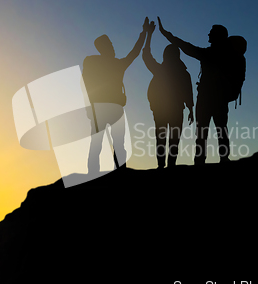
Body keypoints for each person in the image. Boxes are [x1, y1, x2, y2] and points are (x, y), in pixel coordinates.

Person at [157, 17, 234, 164]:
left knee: (203, 132)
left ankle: (200, 161)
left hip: (206, 99)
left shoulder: (208, 54)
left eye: (211, 33)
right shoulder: (226, 56)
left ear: (218, 36)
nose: (208, 35)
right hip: (218, 99)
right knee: (220, 130)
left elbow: (186, 47)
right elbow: (186, 47)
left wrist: (166, 34)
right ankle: (223, 158)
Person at [82, 18, 149, 173]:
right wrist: (144, 33)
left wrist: (144, 33)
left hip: (105, 108)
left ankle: (101, 173)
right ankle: (110, 173)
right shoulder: (106, 63)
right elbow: (134, 53)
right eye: (110, 45)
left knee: (104, 143)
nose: (112, 47)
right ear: (103, 48)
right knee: (106, 143)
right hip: (105, 108)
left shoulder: (96, 63)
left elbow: (134, 53)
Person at [142, 20, 194, 169]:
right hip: (173, 110)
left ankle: (163, 166)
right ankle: (167, 166)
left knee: (163, 138)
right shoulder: (183, 73)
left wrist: (148, 35)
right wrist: (191, 109)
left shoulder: (163, 71)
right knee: (171, 139)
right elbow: (188, 93)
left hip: (166, 110)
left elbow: (146, 56)